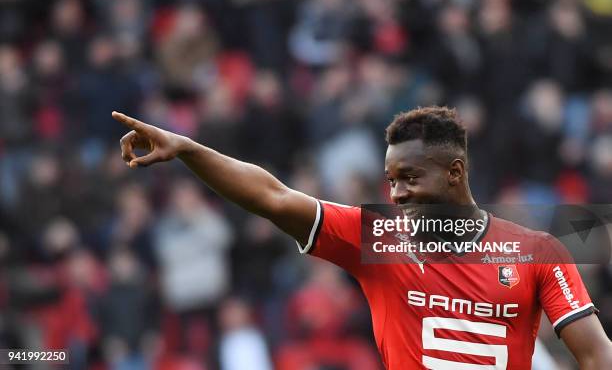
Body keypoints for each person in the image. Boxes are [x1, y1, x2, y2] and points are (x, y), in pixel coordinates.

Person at [111, 106, 612, 369]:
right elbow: (273, 197)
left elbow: (595, 354)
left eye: (410, 178)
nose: (395, 194)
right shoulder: (377, 239)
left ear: (455, 172)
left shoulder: (536, 252)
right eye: (391, 180)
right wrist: (189, 150)